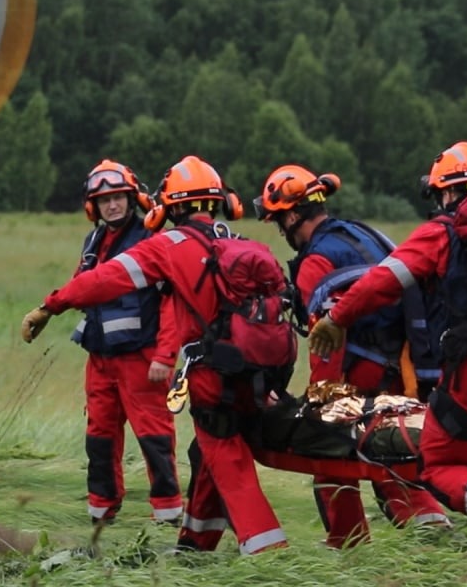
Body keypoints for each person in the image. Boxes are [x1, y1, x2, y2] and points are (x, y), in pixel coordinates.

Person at [21, 155, 288, 555]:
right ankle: (195, 545)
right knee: (206, 454)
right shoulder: (237, 242)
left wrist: (50, 306)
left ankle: (266, 549)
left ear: (171, 204)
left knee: (224, 457)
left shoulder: (166, 246)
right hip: (255, 374)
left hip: (210, 377)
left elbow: (104, 280)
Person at [309, 142, 467, 551]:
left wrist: (337, 318)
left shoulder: (447, 231)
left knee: (438, 464)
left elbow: (385, 280)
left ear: (447, 192)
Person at [254, 164, 449, 548]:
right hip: (403, 368)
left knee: (331, 458)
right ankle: (431, 523)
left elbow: (328, 340)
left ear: (293, 215)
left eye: (279, 220)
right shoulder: (366, 234)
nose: (281, 230)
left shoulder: (316, 261)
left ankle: (348, 543)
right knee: (391, 450)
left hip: (360, 371)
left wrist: (320, 399)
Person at [70, 159, 182, 526]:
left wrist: (165, 355)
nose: (112, 206)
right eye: (104, 201)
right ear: (94, 207)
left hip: (142, 358)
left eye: (118, 198)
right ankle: (100, 512)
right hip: (100, 360)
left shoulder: (151, 240)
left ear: (132, 198)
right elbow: (83, 286)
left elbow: (172, 304)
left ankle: (167, 514)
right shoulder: (94, 241)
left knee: (154, 438)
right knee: (99, 438)